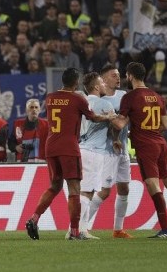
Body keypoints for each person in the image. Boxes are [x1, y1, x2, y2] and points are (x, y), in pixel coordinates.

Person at [25, 67, 115, 240]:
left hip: (51, 147)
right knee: (75, 189)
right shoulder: (77, 99)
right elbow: (93, 117)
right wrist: (108, 117)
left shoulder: (50, 98)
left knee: (54, 186)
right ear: (75, 82)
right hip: (68, 147)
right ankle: (75, 231)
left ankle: (34, 218)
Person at [112, 62, 167, 238]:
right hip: (161, 144)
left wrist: (108, 118)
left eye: (126, 75)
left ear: (130, 76)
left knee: (153, 186)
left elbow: (121, 123)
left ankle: (166, 229)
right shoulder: (157, 96)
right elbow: (165, 125)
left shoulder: (129, 97)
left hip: (146, 147)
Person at [87, 65, 133, 239]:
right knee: (104, 191)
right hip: (106, 151)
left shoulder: (124, 97)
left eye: (119, 75)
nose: (118, 78)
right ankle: (81, 226)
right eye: (114, 75)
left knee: (124, 189)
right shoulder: (101, 100)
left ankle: (118, 229)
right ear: (104, 79)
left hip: (122, 149)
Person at [67, 72, 114, 240]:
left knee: (85, 191)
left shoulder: (81, 102)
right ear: (96, 86)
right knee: (86, 193)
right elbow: (116, 126)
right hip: (94, 152)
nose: (104, 85)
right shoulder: (104, 104)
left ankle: (78, 229)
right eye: (102, 82)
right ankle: (77, 230)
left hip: (80, 148)